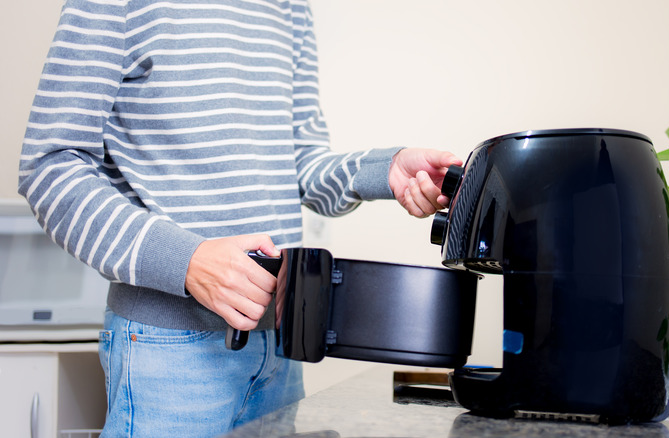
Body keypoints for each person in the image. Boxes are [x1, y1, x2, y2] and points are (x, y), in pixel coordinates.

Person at [18, 0, 461, 436]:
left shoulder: (290, 7)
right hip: (168, 347)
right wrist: (186, 260)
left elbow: (300, 162)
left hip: (279, 347)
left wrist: (384, 170)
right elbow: (50, 166)